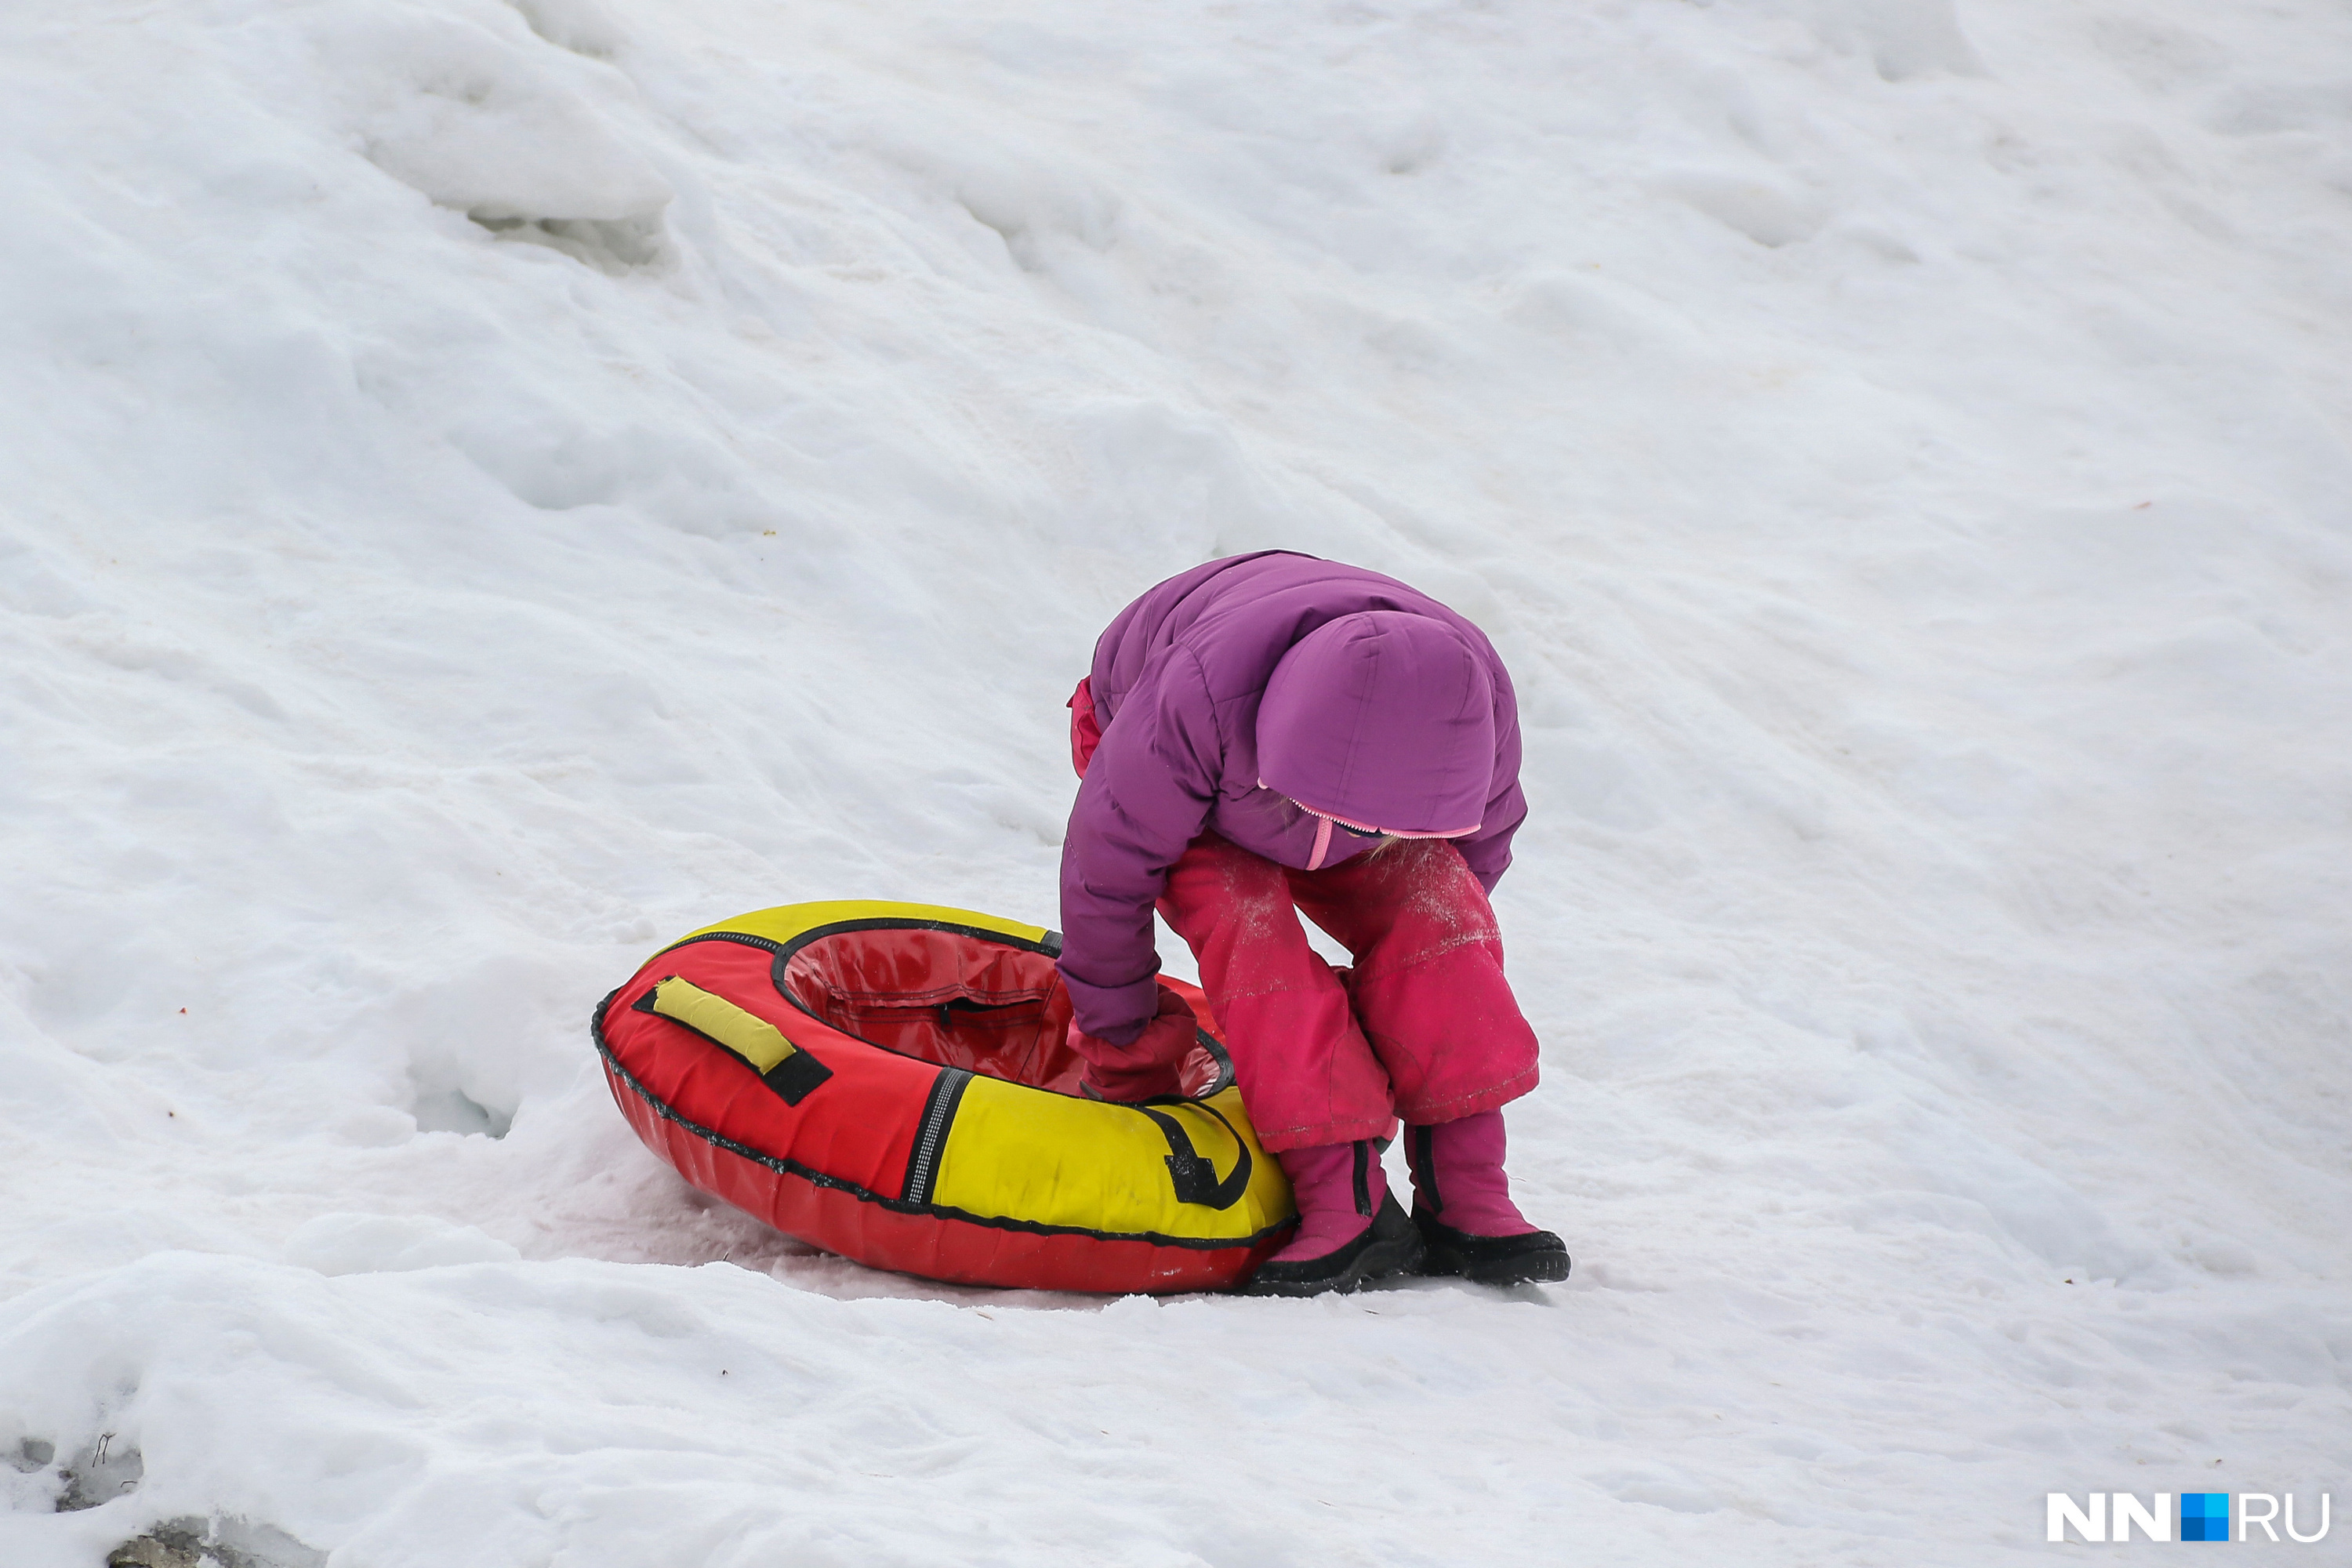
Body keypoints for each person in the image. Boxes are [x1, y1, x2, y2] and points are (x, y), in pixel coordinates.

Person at [1057, 550, 1569, 1295]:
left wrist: (1404, 992)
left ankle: (1469, 1185)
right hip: (1198, 772)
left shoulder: (1473, 704)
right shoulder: (1190, 702)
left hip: (1367, 778)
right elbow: (1103, 877)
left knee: (1440, 913)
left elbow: (1475, 865)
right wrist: (1124, 1045)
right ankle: (1343, 1195)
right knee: (1250, 929)